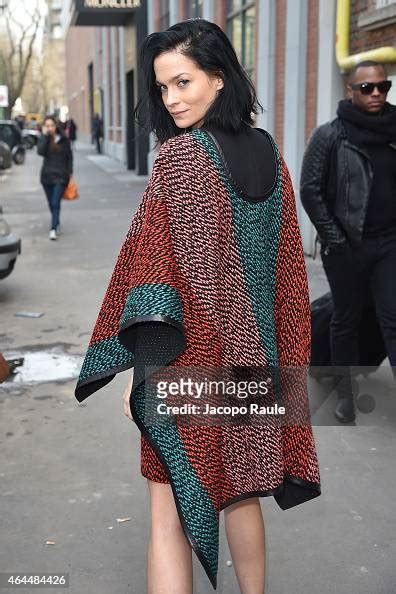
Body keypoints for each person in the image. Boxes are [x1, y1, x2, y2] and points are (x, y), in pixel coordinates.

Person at [74, 19, 321, 594]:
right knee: (240, 495)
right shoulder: (269, 152)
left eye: (183, 82)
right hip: (256, 359)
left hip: (189, 363)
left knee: (168, 510)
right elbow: (285, 274)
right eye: (163, 88)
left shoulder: (182, 159)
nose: (172, 99)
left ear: (218, 78)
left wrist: (140, 373)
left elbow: (155, 274)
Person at [300, 60, 396, 423]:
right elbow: (310, 191)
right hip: (347, 247)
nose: (375, 94)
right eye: (366, 88)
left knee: (392, 318)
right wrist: (335, 238)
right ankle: (344, 396)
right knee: (346, 320)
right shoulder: (330, 135)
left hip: (389, 244)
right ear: (350, 91)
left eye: (382, 87)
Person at [37, 115, 73, 240]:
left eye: (51, 125)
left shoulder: (64, 139)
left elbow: (69, 157)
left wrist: (69, 173)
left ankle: (53, 228)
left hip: (61, 177)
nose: (50, 128)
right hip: (47, 177)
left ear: (55, 126)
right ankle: (56, 221)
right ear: (44, 127)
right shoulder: (44, 139)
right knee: (51, 204)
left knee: (55, 202)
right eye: (47, 126)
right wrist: (45, 136)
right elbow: (40, 152)